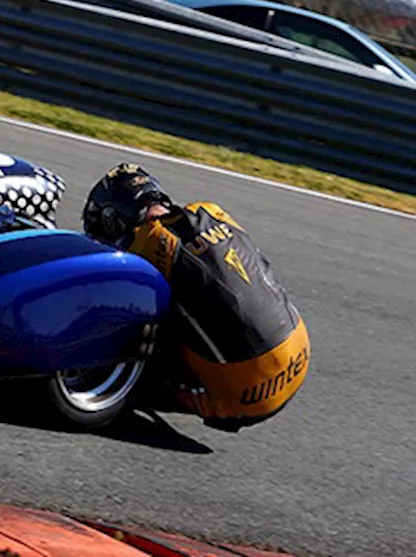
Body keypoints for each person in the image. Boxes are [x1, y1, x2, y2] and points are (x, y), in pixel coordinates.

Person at [82, 163, 309, 431]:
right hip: (300, 351)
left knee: (126, 311)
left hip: (245, 396)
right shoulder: (212, 212)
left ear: (112, 219)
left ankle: (112, 387)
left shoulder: (145, 245)